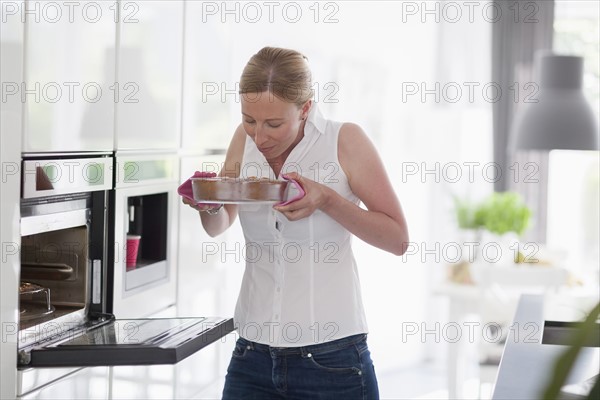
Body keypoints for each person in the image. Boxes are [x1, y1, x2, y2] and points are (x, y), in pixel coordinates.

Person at [182, 46, 409, 400]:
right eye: (249, 119)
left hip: (331, 358)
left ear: (305, 109)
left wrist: (328, 200)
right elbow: (222, 221)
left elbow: (398, 239)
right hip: (252, 355)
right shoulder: (243, 142)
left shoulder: (344, 140)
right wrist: (207, 206)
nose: (259, 137)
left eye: (274, 124)